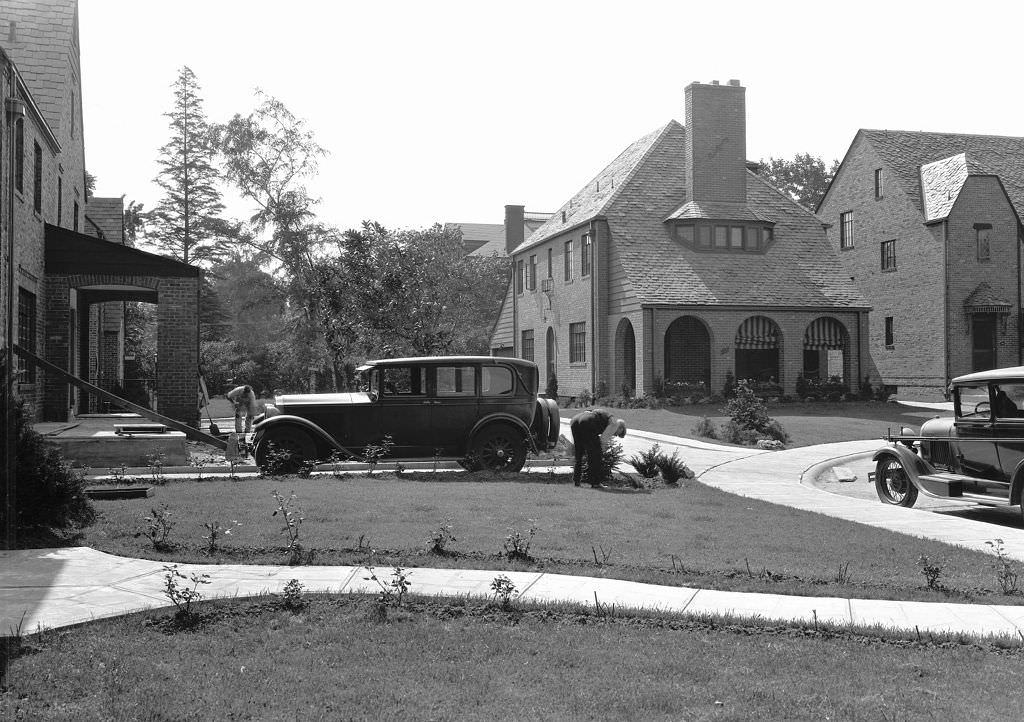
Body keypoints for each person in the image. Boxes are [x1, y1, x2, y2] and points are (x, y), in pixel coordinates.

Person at [570, 408, 627, 488]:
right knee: (596, 456)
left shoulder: (606, 416)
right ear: (620, 428)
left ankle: (577, 481)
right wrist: (600, 452)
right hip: (589, 422)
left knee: (579, 453)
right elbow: (602, 440)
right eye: (617, 434)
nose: (614, 435)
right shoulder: (615, 424)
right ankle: (595, 483)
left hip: (576, 419)